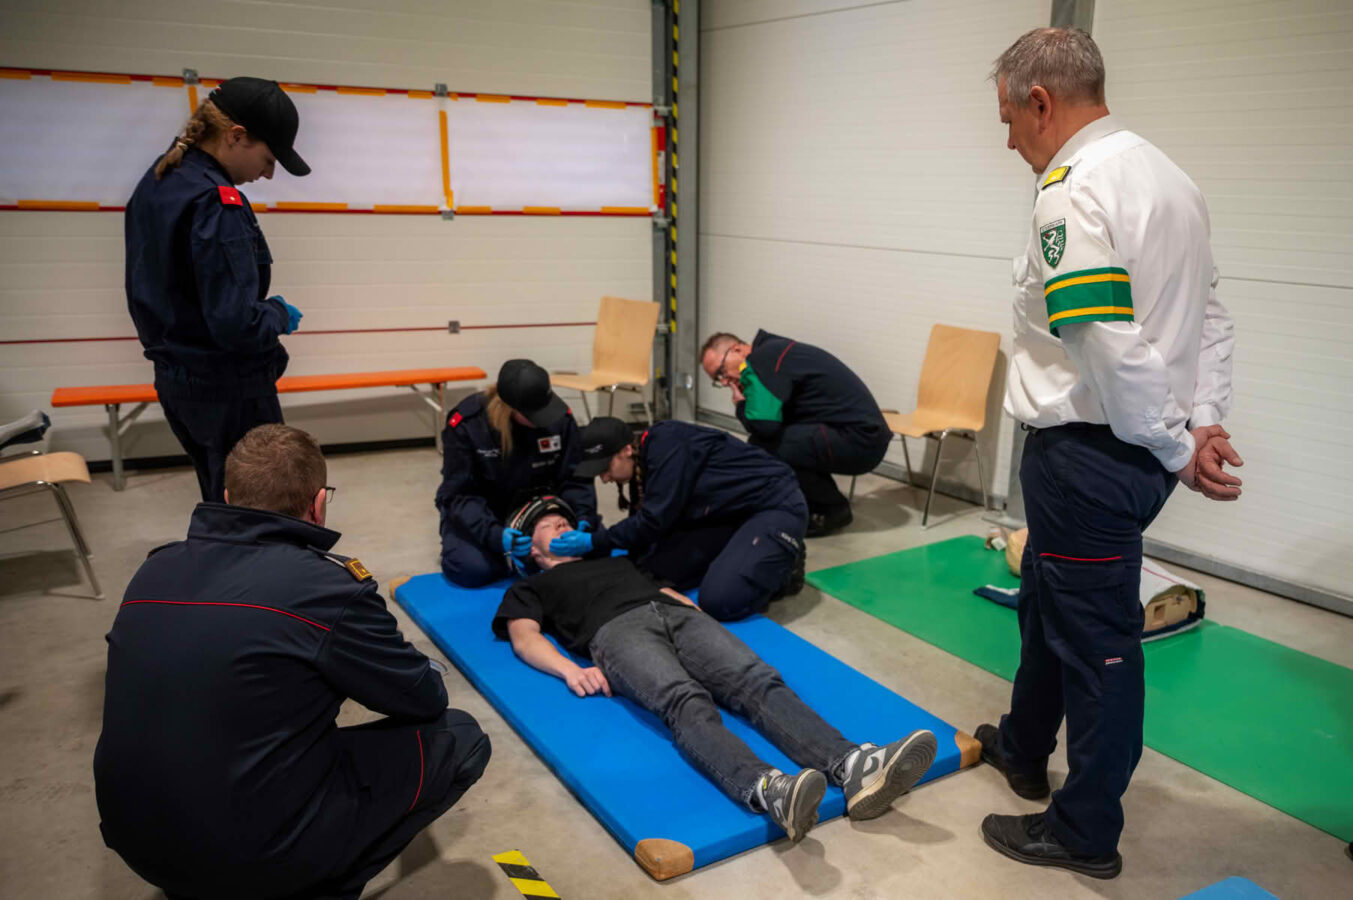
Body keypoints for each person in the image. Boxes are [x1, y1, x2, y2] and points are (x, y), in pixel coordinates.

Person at [975, 28, 1243, 879]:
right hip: (1124, 448)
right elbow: (1208, 319)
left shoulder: (1071, 189)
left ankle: (1084, 830)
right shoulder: (1169, 177)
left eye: (1008, 117)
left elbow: (1107, 342)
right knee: (1044, 607)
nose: (1006, 137)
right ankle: (1022, 746)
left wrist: (1172, 444)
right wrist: (1200, 423)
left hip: (1093, 455)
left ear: (1040, 103)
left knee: (1098, 646)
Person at [94, 424, 490, 900]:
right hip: (253, 851)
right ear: (319, 503)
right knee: (461, 738)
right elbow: (424, 699)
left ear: (226, 495)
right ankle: (312, 885)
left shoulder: (154, 568)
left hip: (134, 838)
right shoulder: (326, 588)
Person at [497, 504, 939, 843]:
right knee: (684, 701)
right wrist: (569, 670)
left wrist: (695, 617)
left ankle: (854, 765)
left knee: (756, 679)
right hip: (614, 632)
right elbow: (523, 635)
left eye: (566, 523)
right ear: (530, 550)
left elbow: (663, 588)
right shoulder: (530, 586)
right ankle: (771, 789)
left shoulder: (615, 558)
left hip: (675, 613)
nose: (564, 529)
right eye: (551, 528)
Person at [126, 77, 311, 502]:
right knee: (262, 510)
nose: (267, 174)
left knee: (222, 497)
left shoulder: (161, 180)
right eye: (267, 159)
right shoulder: (215, 201)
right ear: (236, 136)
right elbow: (235, 324)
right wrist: (277, 314)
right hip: (227, 388)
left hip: (179, 382)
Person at [550, 416, 807, 621]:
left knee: (720, 600)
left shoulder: (668, 445)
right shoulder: (642, 461)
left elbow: (652, 522)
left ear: (626, 450)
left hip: (774, 506)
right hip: (727, 513)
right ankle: (740, 551)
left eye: (605, 469)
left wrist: (594, 541)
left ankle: (786, 566)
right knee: (651, 568)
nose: (604, 478)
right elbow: (643, 530)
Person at [701, 330, 891, 536]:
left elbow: (764, 426)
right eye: (717, 380)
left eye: (721, 371)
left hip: (860, 441)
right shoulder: (774, 351)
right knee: (777, 441)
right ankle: (813, 501)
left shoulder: (761, 360)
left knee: (765, 446)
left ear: (737, 349)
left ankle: (832, 509)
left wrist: (740, 404)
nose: (724, 381)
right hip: (860, 438)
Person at [435, 359, 597, 587]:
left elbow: (576, 477)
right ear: (509, 408)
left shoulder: (559, 419)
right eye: (535, 415)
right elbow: (459, 495)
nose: (544, 420)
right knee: (472, 569)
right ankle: (520, 558)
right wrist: (495, 536)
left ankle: (530, 558)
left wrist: (583, 518)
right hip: (488, 513)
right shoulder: (468, 425)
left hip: (540, 508)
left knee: (598, 546)